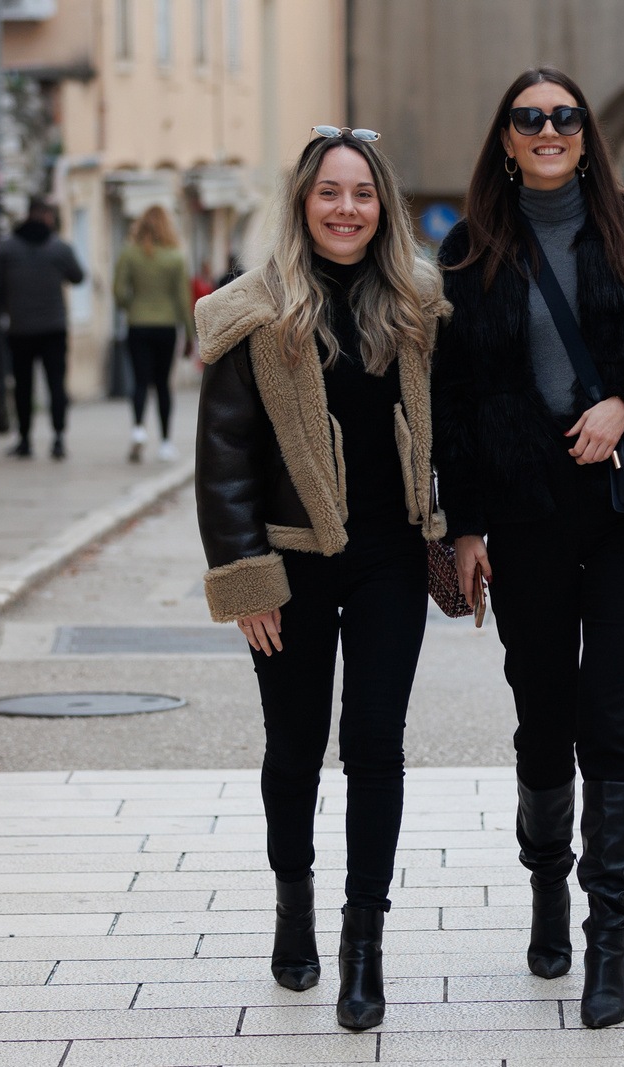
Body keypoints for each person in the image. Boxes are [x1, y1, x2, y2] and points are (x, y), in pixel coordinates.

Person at [433, 67, 624, 1029]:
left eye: (564, 116)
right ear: (507, 138)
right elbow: (452, 402)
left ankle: (609, 939)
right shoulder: (470, 249)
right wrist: (465, 526)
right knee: (543, 714)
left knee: (614, 721)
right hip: (523, 508)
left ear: (587, 135)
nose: (548, 129)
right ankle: (548, 883)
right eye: (530, 118)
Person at [193, 127, 449, 1032]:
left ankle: (363, 941)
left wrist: (457, 529)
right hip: (290, 560)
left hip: (391, 557)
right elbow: (223, 457)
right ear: (303, 203)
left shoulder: (419, 305)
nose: (347, 208)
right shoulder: (253, 311)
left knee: (376, 743)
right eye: (330, 192)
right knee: (295, 745)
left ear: (384, 207)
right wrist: (244, 577)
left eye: (363, 194)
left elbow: (449, 431)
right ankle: (293, 905)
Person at [0, 196, 85, 460]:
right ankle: (58, 438)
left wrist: (11, 304)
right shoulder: (59, 248)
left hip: (19, 328)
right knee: (56, 385)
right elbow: (78, 276)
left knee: (23, 386)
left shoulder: (7, 248)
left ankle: (24, 439)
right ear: (47, 216)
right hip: (53, 328)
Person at [114, 205, 195, 463]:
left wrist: (132, 307)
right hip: (166, 326)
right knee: (162, 384)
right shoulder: (175, 257)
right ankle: (166, 443)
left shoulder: (129, 253)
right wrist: (190, 334)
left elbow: (118, 291)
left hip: (137, 325)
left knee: (139, 380)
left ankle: (138, 429)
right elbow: (183, 299)